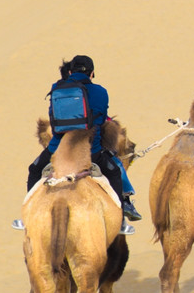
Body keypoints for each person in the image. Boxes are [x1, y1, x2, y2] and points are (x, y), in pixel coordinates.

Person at [22, 54, 139, 222]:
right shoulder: (100, 91)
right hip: (92, 151)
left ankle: (29, 217)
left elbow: (53, 118)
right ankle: (120, 218)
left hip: (58, 149)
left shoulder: (57, 89)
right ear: (92, 74)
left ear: (70, 72)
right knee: (113, 172)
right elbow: (101, 119)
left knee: (34, 170)